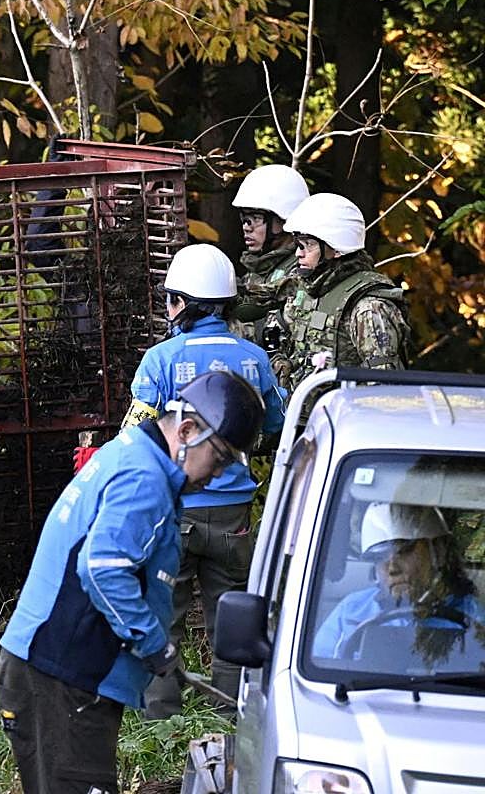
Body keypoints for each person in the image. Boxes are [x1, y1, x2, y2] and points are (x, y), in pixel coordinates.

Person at [0, 371, 266, 794]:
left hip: (55, 670)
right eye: (220, 458)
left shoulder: (132, 453)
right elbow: (104, 569)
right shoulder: (145, 478)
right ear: (188, 430)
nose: (218, 475)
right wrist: (153, 644)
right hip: (63, 675)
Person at [118, 243, 285, 718]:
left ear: (186, 303)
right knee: (231, 616)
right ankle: (231, 713)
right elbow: (276, 424)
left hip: (176, 510)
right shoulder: (255, 358)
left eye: (171, 298)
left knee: (163, 612)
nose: (168, 308)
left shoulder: (160, 359)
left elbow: (137, 434)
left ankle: (161, 718)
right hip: (234, 513)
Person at [274, 193, 409, 392]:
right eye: (299, 244)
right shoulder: (309, 289)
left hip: (343, 419)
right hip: (301, 416)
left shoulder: (368, 307)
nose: (298, 253)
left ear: (336, 249)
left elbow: (383, 389)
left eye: (308, 244)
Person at [313, 502, 480, 659]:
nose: (392, 568)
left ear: (439, 551)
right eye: (379, 557)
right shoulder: (350, 611)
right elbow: (319, 673)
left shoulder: (475, 615)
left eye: (403, 551)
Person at [229, 164, 310, 353]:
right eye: (244, 218)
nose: (246, 227)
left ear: (283, 221)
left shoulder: (302, 270)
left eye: (256, 218)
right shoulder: (260, 268)